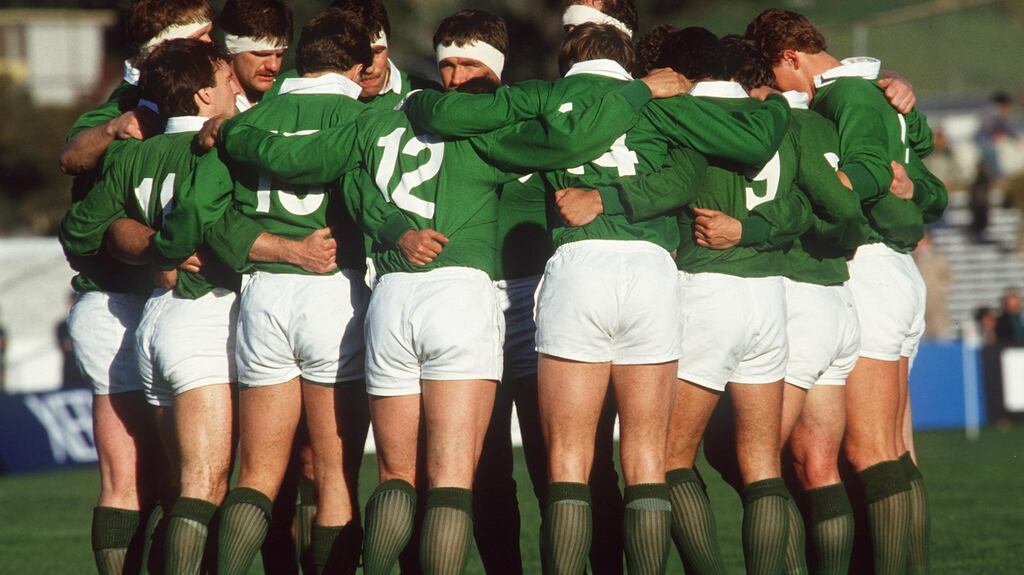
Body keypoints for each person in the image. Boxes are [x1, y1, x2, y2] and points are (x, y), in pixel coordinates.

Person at [220, 41, 688, 574]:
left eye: (467, 65)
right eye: (448, 64)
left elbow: (327, 173)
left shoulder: (375, 123)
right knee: (463, 480)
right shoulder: (489, 138)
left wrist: (233, 130)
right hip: (467, 298)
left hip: (393, 298)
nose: (456, 76)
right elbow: (567, 141)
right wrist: (636, 94)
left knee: (396, 476)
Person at [747, 9, 947, 575]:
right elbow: (926, 178)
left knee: (870, 450)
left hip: (871, 266)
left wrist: (827, 189)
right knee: (893, 446)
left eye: (772, 71)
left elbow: (868, 169)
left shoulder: (847, 96)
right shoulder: (874, 89)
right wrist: (912, 189)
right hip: (895, 269)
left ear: (790, 57)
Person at [60, 38, 247, 575]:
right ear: (205, 95)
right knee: (203, 486)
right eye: (227, 79)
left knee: (174, 483)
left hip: (154, 321)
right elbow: (212, 223)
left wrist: (145, 248)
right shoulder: (219, 149)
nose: (236, 88)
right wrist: (168, 247)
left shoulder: (131, 155)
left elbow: (78, 230)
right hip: (201, 317)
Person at [915, 233, 954, 340]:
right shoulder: (914, 259)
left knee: (939, 331)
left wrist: (940, 289)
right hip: (920, 302)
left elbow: (948, 277)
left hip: (936, 301)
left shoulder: (938, 258)